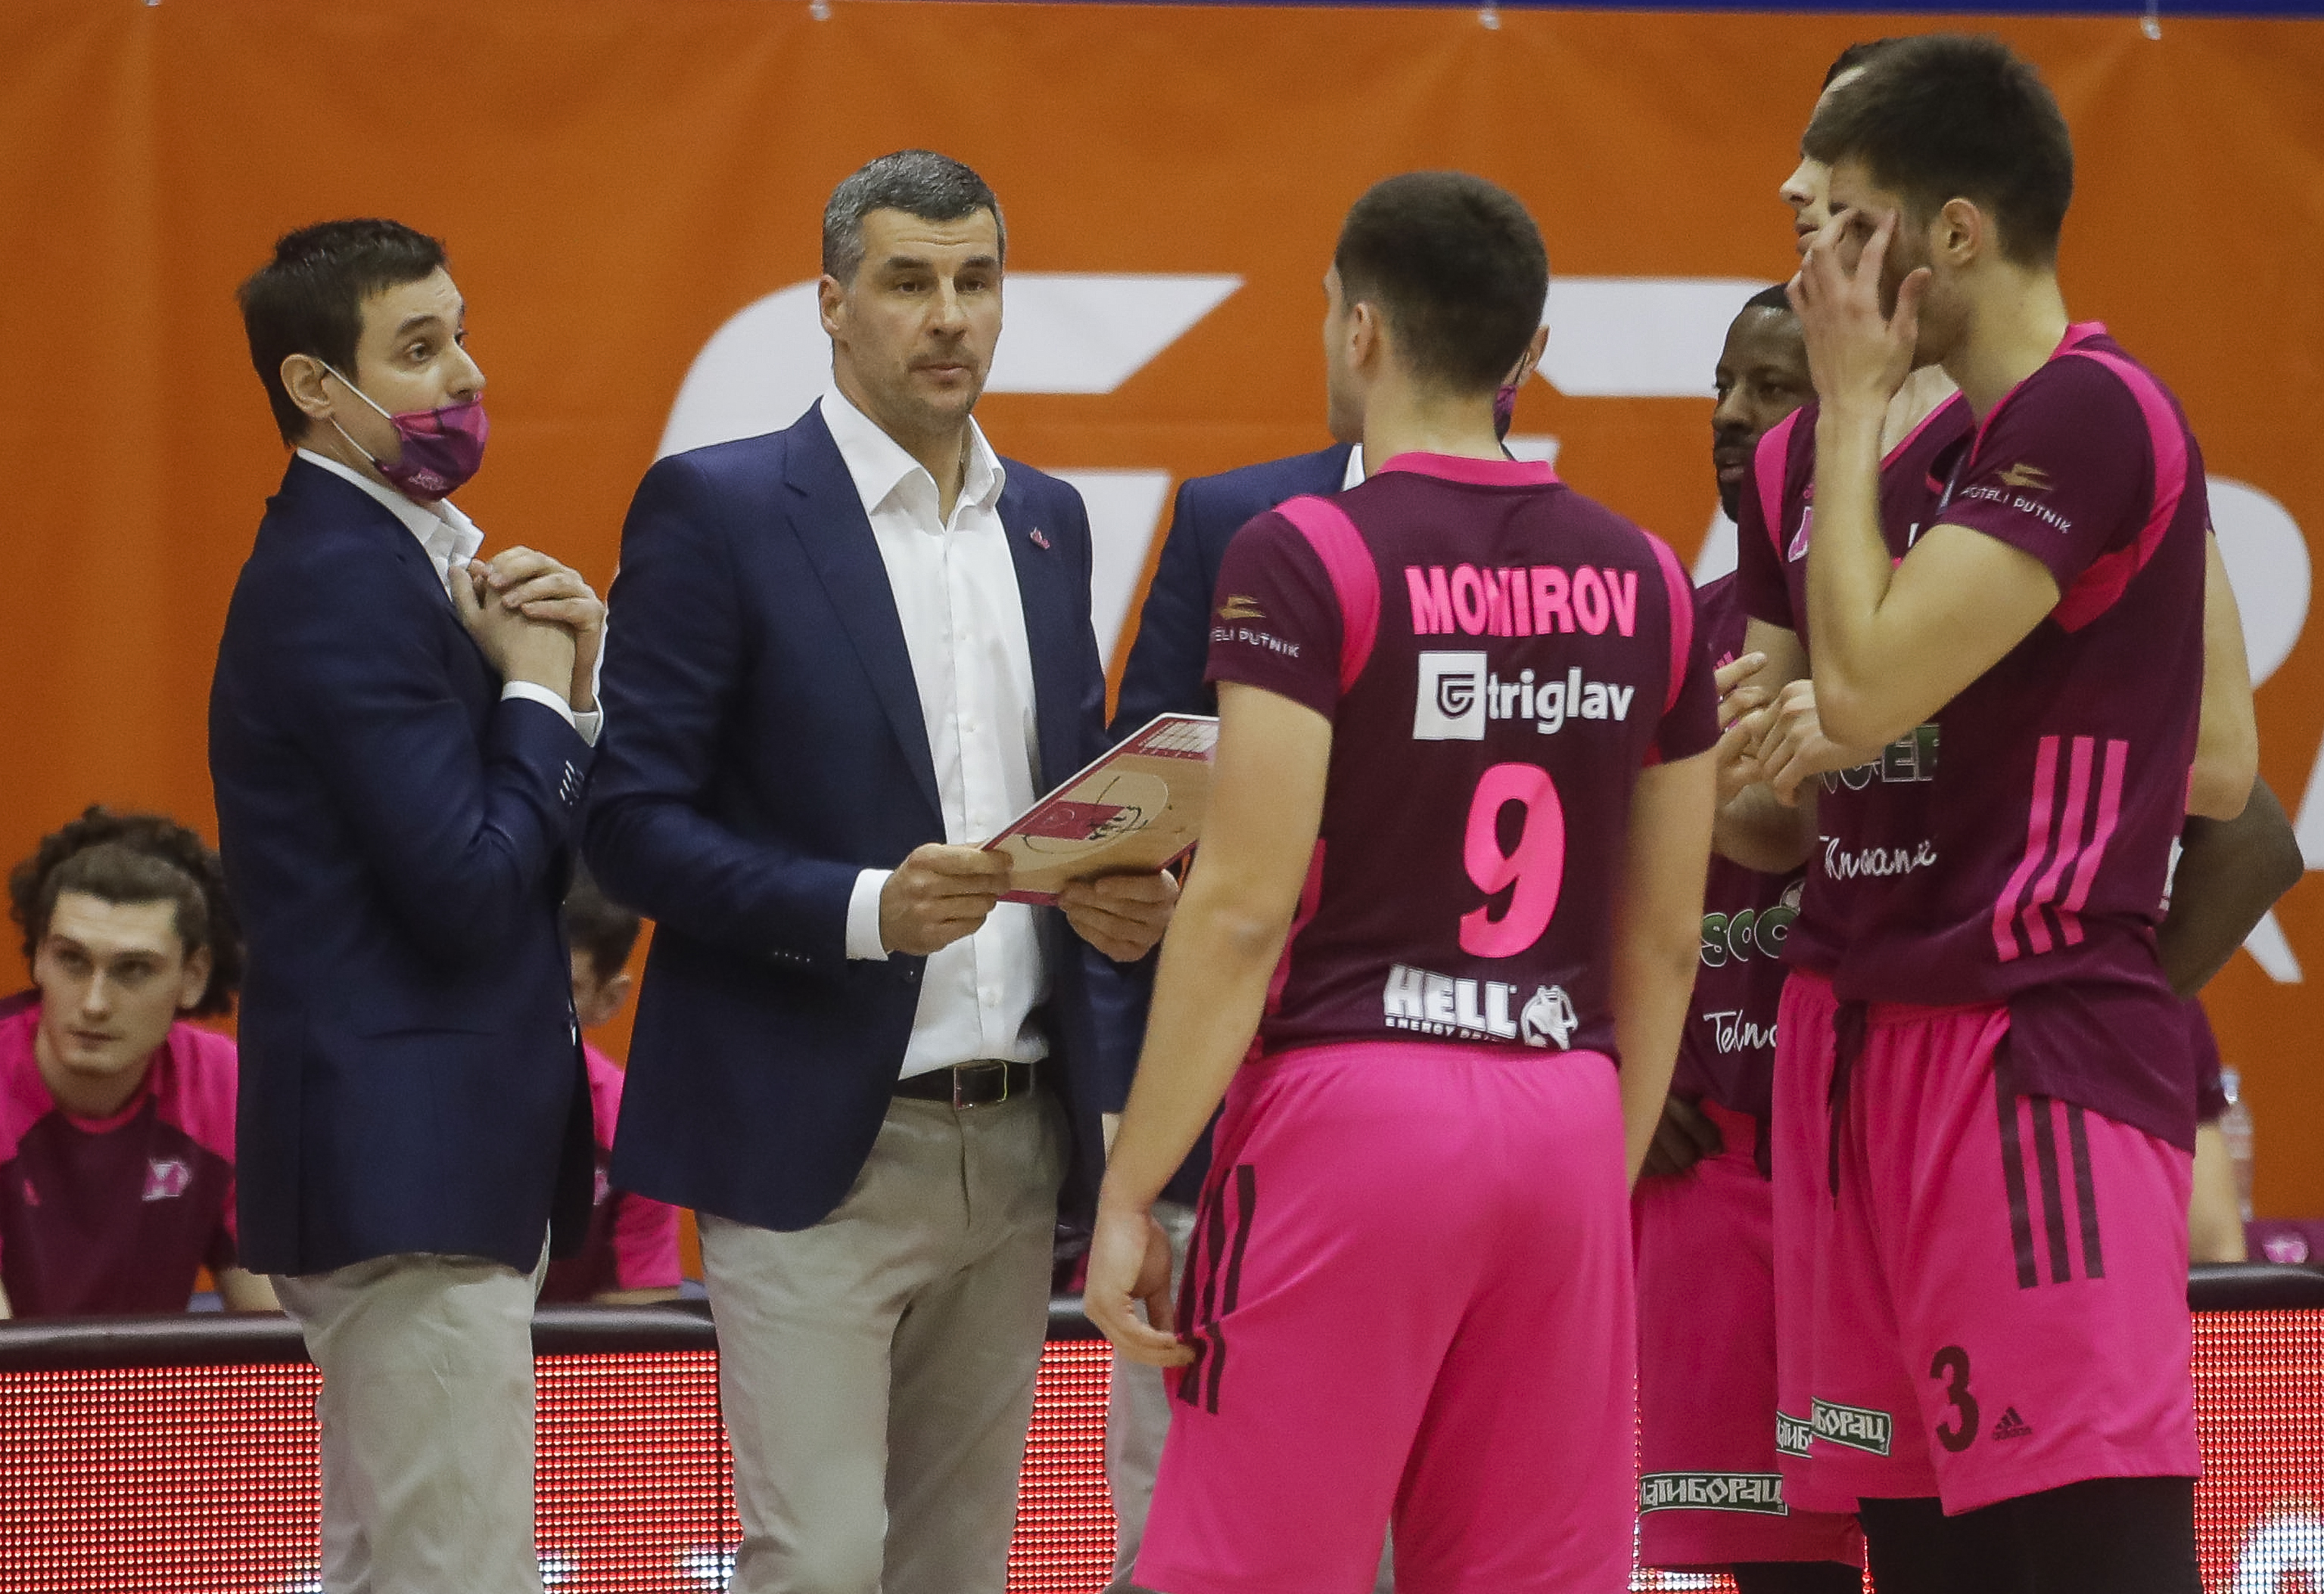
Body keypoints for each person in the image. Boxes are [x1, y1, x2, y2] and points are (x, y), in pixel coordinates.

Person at [1084, 170, 1719, 1594]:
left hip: (1356, 1103)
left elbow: (1241, 906)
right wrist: (1592, 1173)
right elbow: (1666, 938)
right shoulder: (1652, 579)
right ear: (1528, 352)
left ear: (1360, 329)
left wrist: (1131, 1189)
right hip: (1564, 1107)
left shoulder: (1303, 551)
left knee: (1245, 1569)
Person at [584, 151, 1174, 1594]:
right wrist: (861, 911)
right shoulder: (716, 510)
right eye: (909, 281)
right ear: (832, 304)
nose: (949, 315)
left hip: (1014, 1134)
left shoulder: (1048, 521)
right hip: (805, 1143)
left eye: (975, 280)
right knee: (825, 1560)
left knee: (960, 1567)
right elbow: (628, 822)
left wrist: (1114, 891)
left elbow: (1069, 797)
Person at [1771, 34, 2252, 1591]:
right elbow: (1834, 726)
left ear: (1951, 236)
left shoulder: (2088, 414)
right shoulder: (1932, 454)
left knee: (2076, 1559)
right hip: (1877, 1043)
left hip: (2026, 1052)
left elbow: (1856, 689)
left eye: (1845, 214)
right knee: (1917, 1559)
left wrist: (1844, 407)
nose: (1811, 239)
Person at [1095, 322, 1543, 1594]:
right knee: (1178, 1527)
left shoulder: (1573, 550)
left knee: (1437, 1533)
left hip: (1472, 1095)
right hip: (1242, 1098)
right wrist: (1139, 1143)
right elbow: (1153, 801)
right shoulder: (1238, 520)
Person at [211, 219, 605, 1594]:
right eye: (419, 349)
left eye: (459, 331)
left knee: (400, 1569)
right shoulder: (334, 581)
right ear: (318, 388)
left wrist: (571, 686)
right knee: (457, 1576)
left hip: (431, 1163)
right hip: (403, 1170)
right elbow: (466, 886)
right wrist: (540, 691)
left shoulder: (401, 557)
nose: (465, 373)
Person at [1632, 290, 1864, 1594]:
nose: (1731, 413)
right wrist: (1627, 1054)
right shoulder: (1669, 626)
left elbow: (2248, 831)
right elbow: (1560, 883)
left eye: (1772, 387)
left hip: (1880, 1149)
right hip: (1709, 1168)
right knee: (1779, 1578)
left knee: (1955, 1540)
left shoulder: (1958, 622)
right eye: (1725, 382)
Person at [0, 808, 273, 1319]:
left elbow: (277, 1344)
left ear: (193, 976)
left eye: (133, 969)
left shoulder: (224, 1084)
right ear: (37, 956)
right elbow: (7, 1368)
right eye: (72, 960)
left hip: (144, 1396)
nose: (95, 1002)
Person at [538, 871, 684, 1306]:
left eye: (568, 987)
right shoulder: (425, 1103)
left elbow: (643, 1298)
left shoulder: (631, 1125)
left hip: (567, 1355)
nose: (533, 1004)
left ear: (609, 1000)